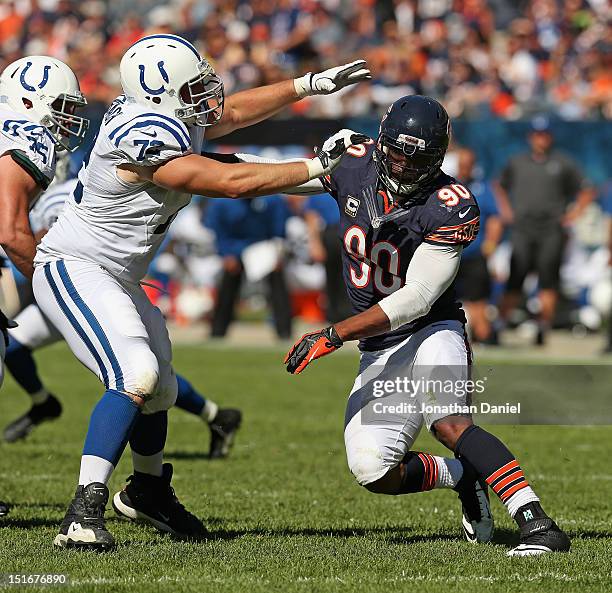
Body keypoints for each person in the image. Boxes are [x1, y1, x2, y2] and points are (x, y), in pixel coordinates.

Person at [32, 33, 370, 550]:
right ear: (161, 92)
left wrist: (308, 85)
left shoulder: (164, 114)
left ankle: (146, 490)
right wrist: (317, 167)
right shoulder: (141, 132)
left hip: (115, 274)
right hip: (75, 265)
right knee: (135, 374)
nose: (206, 95)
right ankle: (83, 513)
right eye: (192, 86)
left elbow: (229, 116)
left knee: (161, 390)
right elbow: (227, 180)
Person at [283, 96, 570, 556]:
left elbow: (417, 298)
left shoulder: (449, 204)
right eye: (395, 151)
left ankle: (537, 522)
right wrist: (203, 169)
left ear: (437, 156)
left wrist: (334, 333)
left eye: (415, 156)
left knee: (449, 422)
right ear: (381, 140)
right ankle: (463, 475)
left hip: (430, 329)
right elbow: (276, 178)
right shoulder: (353, 165)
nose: (401, 164)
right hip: (380, 347)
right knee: (373, 470)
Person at [3, 178, 242, 459]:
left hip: (90, 288)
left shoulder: (65, 192)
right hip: (73, 287)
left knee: (135, 371)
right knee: (14, 347)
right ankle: (43, 404)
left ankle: (211, 417)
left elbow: (48, 242)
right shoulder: (62, 189)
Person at [0, 55, 88, 518]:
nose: (67, 118)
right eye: (60, 106)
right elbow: (11, 231)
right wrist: (56, 284)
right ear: (28, 100)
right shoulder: (25, 139)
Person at [496, 116, 595, 345]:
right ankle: (498, 326)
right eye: (538, 134)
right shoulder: (517, 161)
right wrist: (506, 211)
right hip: (522, 228)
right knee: (515, 277)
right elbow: (499, 186)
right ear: (531, 136)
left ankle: (543, 327)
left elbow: (586, 190)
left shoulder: (563, 162)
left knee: (548, 280)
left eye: (546, 134)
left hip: (551, 229)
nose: (542, 139)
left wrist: (573, 215)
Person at [206, 195, 292, 339]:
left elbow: (279, 229)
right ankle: (218, 331)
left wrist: (278, 252)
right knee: (227, 289)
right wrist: (225, 253)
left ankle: (284, 331)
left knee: (278, 285)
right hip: (235, 247)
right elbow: (218, 229)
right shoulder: (222, 202)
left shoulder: (272, 199)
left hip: (263, 247)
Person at [454, 148, 503, 344]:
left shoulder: (483, 188)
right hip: (450, 255)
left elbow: (495, 219)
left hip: (474, 255)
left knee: (478, 302)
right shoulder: (449, 186)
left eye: (468, 164)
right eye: (462, 164)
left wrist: (490, 245)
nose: (465, 168)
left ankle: (485, 340)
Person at [303, 193, 352, 322]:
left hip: (351, 232)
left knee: (350, 278)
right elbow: (311, 216)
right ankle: (335, 317)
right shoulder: (322, 190)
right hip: (331, 234)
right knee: (332, 279)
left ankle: (349, 316)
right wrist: (315, 243)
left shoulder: (351, 183)